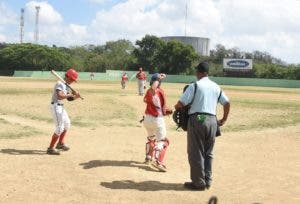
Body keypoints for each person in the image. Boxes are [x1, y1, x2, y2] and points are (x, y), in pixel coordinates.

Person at [174, 62, 230, 190]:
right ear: (207, 73)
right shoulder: (216, 87)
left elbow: (180, 104)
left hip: (199, 119)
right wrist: (224, 119)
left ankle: (198, 183)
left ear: (199, 73)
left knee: (196, 151)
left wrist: (177, 107)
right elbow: (227, 103)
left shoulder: (195, 85)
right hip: (212, 120)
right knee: (208, 152)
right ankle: (207, 181)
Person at [47, 68, 81, 155]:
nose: (73, 81)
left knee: (67, 124)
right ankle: (50, 148)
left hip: (61, 107)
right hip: (55, 106)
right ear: (68, 77)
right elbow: (59, 96)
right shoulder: (60, 83)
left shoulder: (66, 85)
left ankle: (60, 143)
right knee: (60, 128)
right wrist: (69, 94)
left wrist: (75, 97)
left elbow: (69, 99)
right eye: (72, 79)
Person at [143, 73, 172, 172]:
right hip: (157, 120)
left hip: (147, 119)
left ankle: (148, 157)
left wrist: (165, 110)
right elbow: (154, 89)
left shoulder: (148, 91)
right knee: (163, 141)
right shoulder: (157, 91)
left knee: (151, 138)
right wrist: (159, 78)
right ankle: (158, 162)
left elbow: (152, 103)